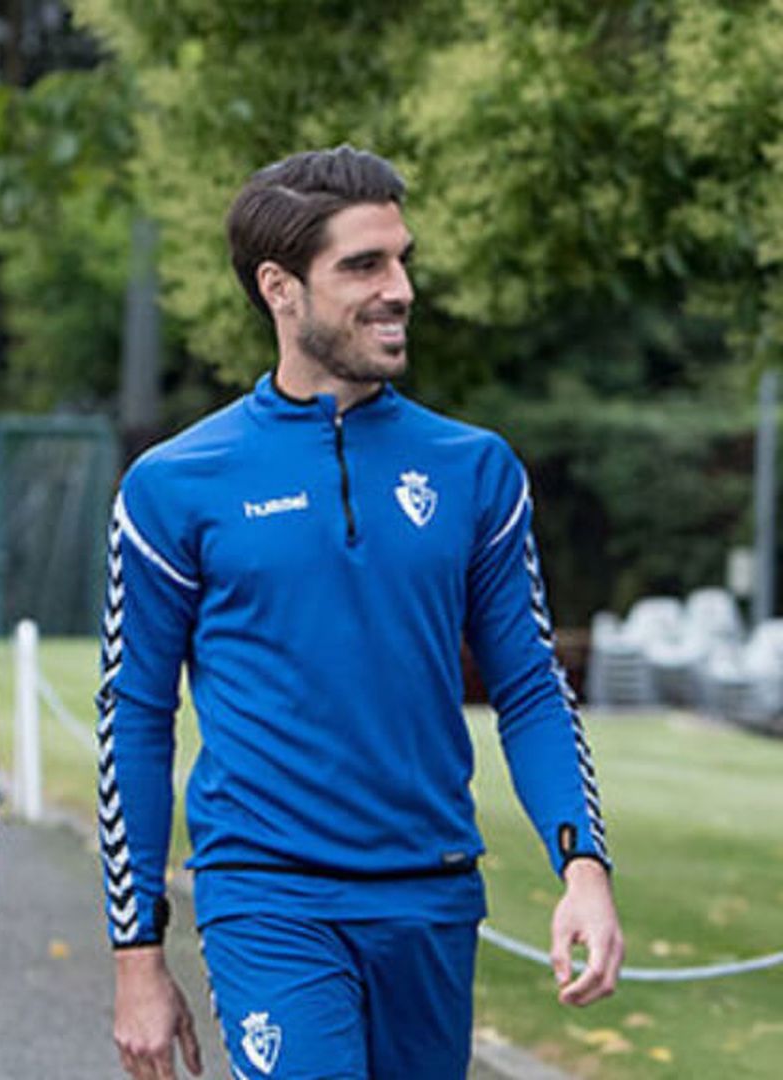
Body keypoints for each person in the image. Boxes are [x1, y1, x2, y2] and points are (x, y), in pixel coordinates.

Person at [101, 146, 625, 1080]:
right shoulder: (174, 487)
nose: (400, 289)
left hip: (434, 901)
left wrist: (584, 871)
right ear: (280, 288)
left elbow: (532, 690)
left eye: (402, 259)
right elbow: (134, 720)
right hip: (268, 898)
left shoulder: (476, 471)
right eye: (363, 265)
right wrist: (138, 955)